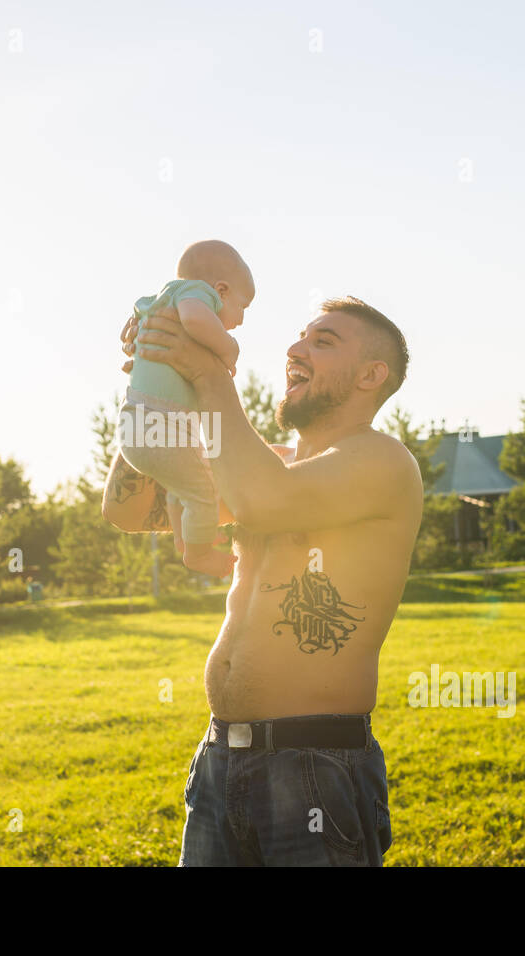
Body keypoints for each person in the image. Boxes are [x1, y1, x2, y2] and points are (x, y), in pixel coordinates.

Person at [102, 294, 423, 866]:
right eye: (300, 337)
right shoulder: (260, 463)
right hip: (220, 757)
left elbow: (267, 500)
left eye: (324, 342)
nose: (296, 349)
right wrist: (157, 395)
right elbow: (129, 511)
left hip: (312, 768)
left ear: (372, 375)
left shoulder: (384, 463)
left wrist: (204, 371)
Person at [119, 240, 255, 578]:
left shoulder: (160, 300)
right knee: (204, 492)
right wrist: (229, 348)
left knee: (185, 485)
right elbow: (196, 319)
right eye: (243, 307)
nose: (239, 320)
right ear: (220, 290)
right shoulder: (196, 294)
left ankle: (184, 537)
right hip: (160, 423)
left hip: (137, 422)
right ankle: (198, 555)